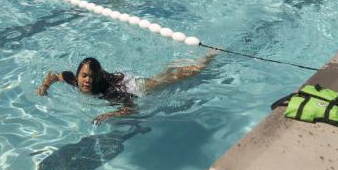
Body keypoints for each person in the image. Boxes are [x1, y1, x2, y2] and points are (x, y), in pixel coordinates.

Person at [37, 54, 215, 124]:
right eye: (84, 76)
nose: (87, 80)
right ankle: (170, 68)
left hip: (132, 85)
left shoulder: (108, 93)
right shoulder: (74, 80)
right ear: (78, 76)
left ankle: (203, 62)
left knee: (165, 80)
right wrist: (44, 86)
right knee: (163, 76)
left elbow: (131, 108)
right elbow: (54, 75)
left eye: (91, 77)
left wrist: (108, 115)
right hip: (116, 79)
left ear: (97, 78)